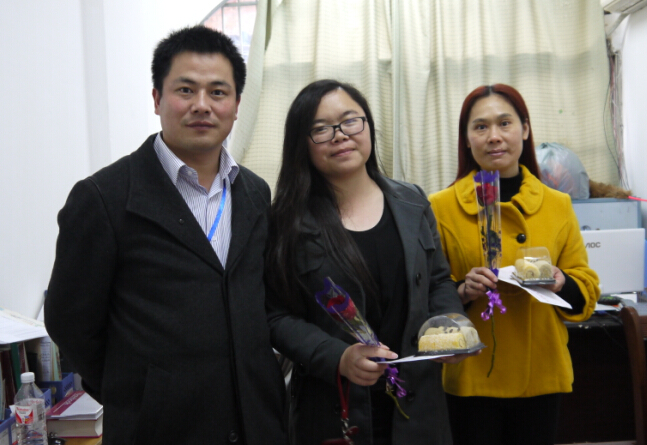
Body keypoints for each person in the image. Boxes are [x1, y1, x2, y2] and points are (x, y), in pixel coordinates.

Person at [45, 26, 286, 445]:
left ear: (236, 105)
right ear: (157, 99)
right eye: (185, 90)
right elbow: (70, 324)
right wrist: (137, 392)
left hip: (256, 422)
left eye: (218, 92)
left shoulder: (254, 192)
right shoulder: (104, 198)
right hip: (158, 429)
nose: (202, 105)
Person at [265, 79, 471, 445]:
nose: (340, 135)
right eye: (321, 129)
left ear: (368, 126)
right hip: (335, 407)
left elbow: (438, 280)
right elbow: (275, 316)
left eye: (350, 121)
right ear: (302, 143)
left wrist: (450, 326)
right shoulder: (286, 221)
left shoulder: (412, 202)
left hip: (419, 407)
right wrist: (338, 357)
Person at [428, 84, 600, 445]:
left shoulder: (557, 204)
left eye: (504, 123)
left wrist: (559, 281)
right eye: (481, 127)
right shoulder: (440, 207)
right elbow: (428, 292)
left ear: (524, 129)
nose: (494, 136)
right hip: (472, 374)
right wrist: (463, 290)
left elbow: (585, 288)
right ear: (466, 139)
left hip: (540, 372)